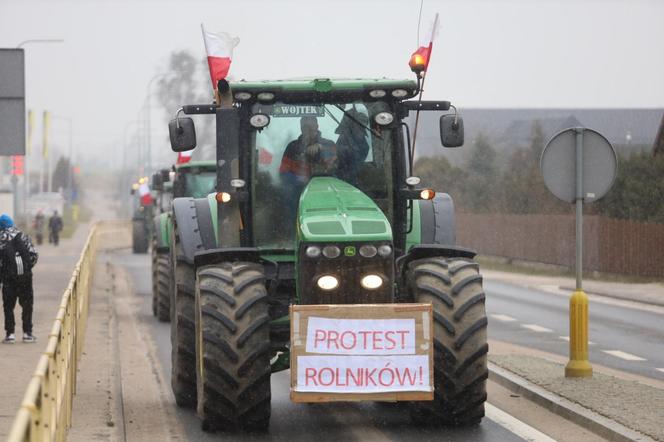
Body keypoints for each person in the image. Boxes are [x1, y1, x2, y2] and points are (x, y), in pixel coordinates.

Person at [0, 214, 39, 344]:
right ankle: (27, 333)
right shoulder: (23, 236)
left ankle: (10, 334)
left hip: (8, 278)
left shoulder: (1, 238)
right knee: (27, 305)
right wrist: (26, 269)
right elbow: (34, 255)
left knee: (8, 306)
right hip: (25, 278)